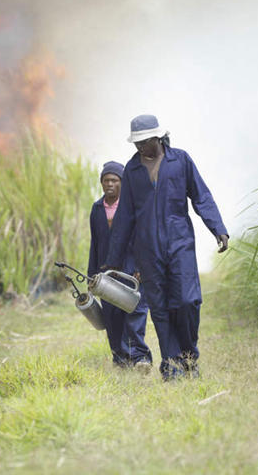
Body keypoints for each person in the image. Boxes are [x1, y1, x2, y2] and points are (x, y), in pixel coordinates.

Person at [105, 115, 229, 380]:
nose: (139, 147)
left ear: (157, 138)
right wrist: (114, 258)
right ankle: (171, 364)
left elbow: (201, 196)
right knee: (160, 308)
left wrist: (217, 228)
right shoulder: (133, 170)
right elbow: (126, 215)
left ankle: (188, 356)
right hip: (147, 249)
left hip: (179, 243)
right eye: (135, 142)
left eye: (143, 142)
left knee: (187, 300)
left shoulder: (180, 161)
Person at [88, 161, 153, 370]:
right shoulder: (97, 209)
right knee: (111, 316)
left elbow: (143, 238)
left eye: (114, 180)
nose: (110, 184)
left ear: (123, 183)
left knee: (135, 312)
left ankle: (141, 357)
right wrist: (92, 273)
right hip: (105, 271)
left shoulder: (133, 207)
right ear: (101, 182)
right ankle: (120, 358)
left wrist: (142, 266)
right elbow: (95, 242)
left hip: (132, 269)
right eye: (106, 180)